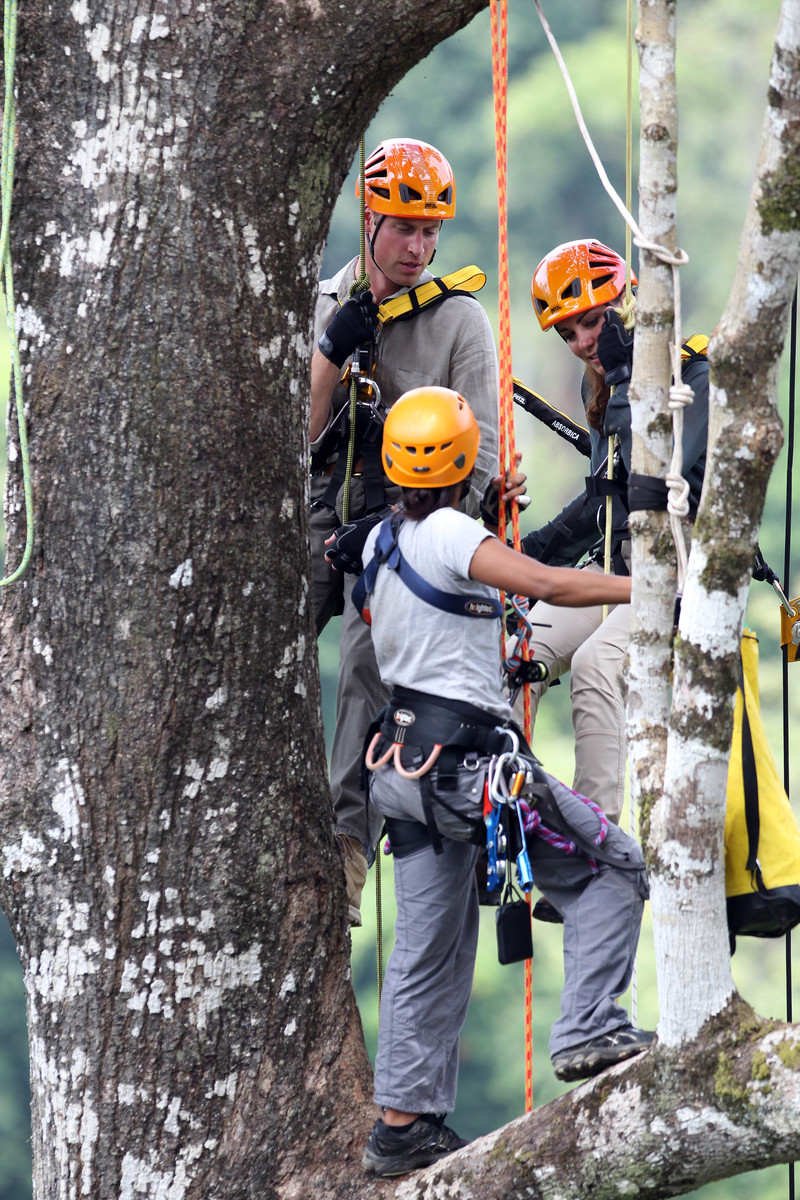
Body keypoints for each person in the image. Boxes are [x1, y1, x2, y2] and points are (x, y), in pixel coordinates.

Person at [355, 386, 652, 1179]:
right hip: (470, 771)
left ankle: (400, 1128)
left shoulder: (382, 542)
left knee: (428, 950)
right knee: (613, 867)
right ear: (462, 457)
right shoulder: (454, 533)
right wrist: (650, 592)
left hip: (404, 774)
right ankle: (590, 1025)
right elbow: (547, 585)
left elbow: (425, 611)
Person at [309, 138, 499, 924]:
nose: (418, 247)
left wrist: (397, 534)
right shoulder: (323, 300)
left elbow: (480, 457)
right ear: (370, 220)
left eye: (430, 232)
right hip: (322, 507)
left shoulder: (458, 320)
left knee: (365, 658)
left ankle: (348, 845)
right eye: (403, 229)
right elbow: (299, 432)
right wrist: (332, 347)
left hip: (408, 521)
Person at [519, 238, 709, 824]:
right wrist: (530, 557)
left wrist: (628, 375)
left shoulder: (693, 378)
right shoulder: (597, 385)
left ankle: (591, 834)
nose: (584, 343)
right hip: (619, 570)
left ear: (628, 308)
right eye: (569, 332)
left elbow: (652, 490)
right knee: (513, 651)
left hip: (677, 576)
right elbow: (604, 497)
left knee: (598, 664)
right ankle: (509, 808)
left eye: (594, 322)